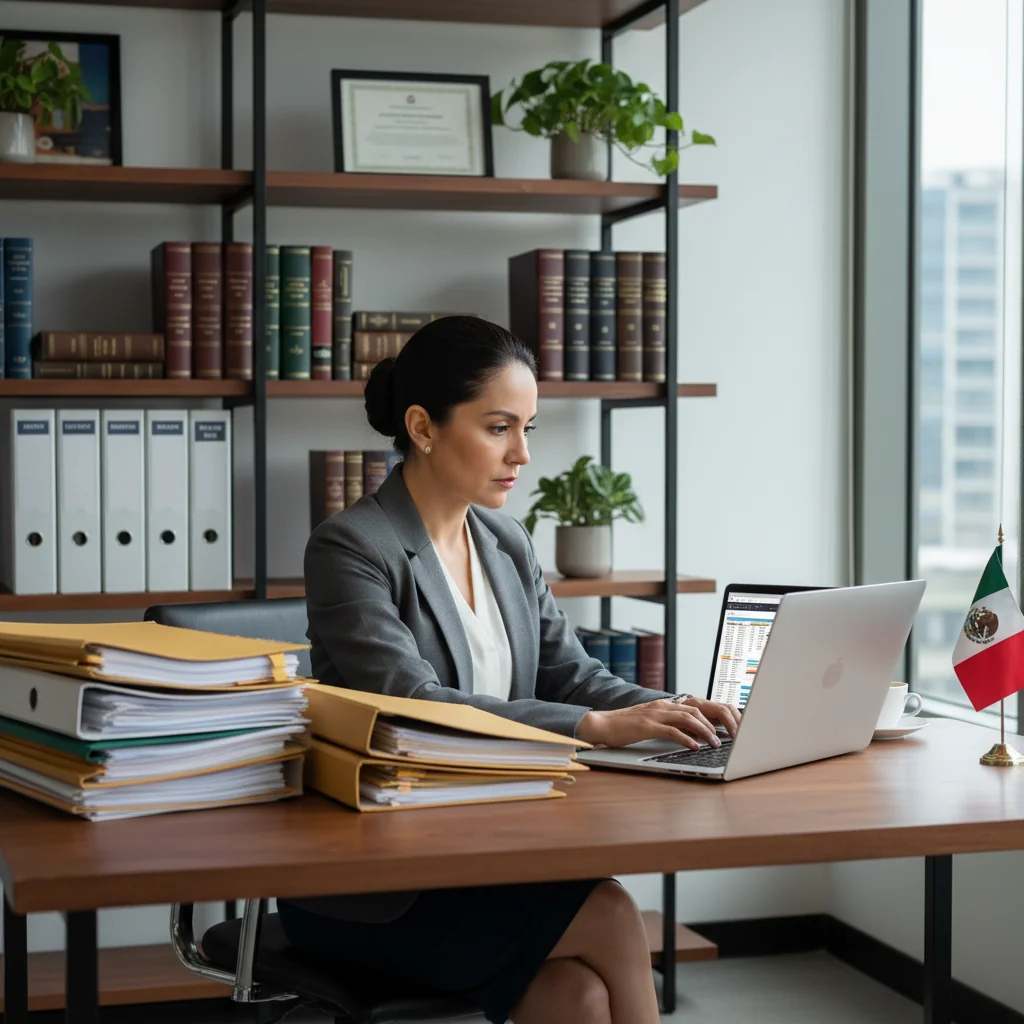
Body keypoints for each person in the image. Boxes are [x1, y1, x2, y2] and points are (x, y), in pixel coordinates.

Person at [280, 315, 741, 1024]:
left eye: (529, 428)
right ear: (423, 427)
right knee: (613, 911)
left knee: (577, 998)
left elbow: (571, 675)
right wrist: (594, 727)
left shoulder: (504, 540)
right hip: (376, 885)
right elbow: (414, 704)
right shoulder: (351, 547)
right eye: (499, 427)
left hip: (489, 850)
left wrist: (675, 709)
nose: (522, 454)